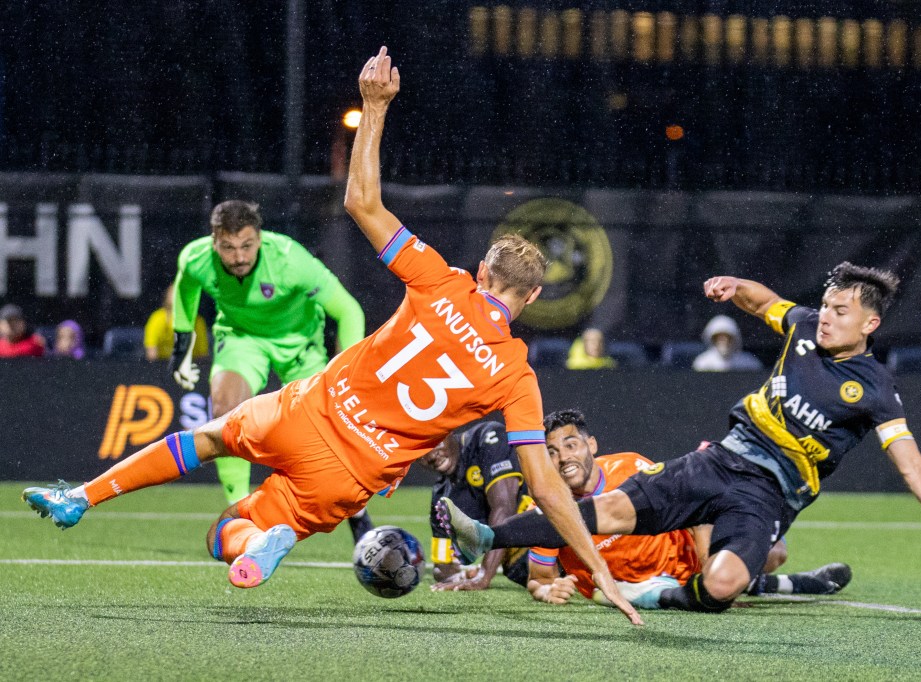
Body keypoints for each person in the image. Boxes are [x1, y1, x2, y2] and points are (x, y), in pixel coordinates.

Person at [23, 46, 641, 626]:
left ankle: (83, 496)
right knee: (232, 528)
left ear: (483, 272)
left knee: (207, 439)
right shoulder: (518, 376)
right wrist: (599, 572)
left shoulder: (442, 281)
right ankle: (274, 536)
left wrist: (373, 109)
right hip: (348, 476)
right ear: (533, 296)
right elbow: (542, 486)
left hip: (307, 409)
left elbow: (361, 201)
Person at [437, 262, 921, 613]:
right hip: (723, 459)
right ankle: (490, 536)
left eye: (839, 311)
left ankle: (663, 595)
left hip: (768, 496)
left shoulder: (877, 390)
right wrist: (736, 287)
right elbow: (763, 301)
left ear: (870, 325)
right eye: (827, 306)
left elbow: (913, 465)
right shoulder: (804, 327)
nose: (825, 317)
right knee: (605, 508)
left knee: (727, 580)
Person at [526, 409, 851, 609]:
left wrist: (707, 569)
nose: (564, 457)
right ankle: (786, 585)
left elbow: (688, 506)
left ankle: (740, 581)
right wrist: (547, 590)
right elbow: (539, 578)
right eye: (552, 452)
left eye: (571, 445)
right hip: (630, 589)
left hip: (688, 561)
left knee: (775, 550)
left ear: (591, 445)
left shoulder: (630, 464)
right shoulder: (547, 504)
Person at [169, 199, 365, 506]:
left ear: (260, 238)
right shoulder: (196, 258)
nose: (238, 257)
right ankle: (240, 514)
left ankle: (356, 516)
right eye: (228, 247)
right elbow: (187, 290)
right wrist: (182, 347)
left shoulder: (290, 260)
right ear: (213, 243)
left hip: (299, 340)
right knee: (225, 411)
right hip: (241, 337)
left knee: (323, 430)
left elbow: (349, 310)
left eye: (247, 245)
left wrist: (348, 370)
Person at [423, 421, 532, 591]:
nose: (430, 456)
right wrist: (459, 576)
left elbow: (504, 507)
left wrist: (484, 575)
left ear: (449, 431)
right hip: (523, 571)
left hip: (550, 546)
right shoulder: (441, 497)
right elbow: (442, 565)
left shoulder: (487, 438)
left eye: (434, 443)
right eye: (420, 453)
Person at [144, 285, 209, 362]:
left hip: (190, 368)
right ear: (167, 296)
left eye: (182, 293)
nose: (178, 296)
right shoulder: (157, 318)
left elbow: (203, 356)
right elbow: (151, 353)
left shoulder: (198, 321)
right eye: (174, 292)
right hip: (161, 368)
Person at [692, 314, 762, 372]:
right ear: (712, 339)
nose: (723, 340)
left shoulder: (749, 362)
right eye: (718, 337)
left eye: (726, 336)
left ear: (734, 338)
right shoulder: (703, 362)